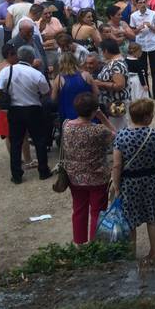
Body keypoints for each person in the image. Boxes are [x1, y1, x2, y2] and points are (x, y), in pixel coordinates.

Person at [111, 98, 155, 260]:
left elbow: (117, 164)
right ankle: (154, 251)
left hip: (129, 182)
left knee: (129, 219)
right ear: (147, 117)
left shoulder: (122, 136)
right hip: (150, 179)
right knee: (152, 214)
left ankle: (131, 254)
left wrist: (116, 185)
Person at [62, 92, 115, 244]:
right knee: (97, 211)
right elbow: (114, 134)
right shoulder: (98, 130)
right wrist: (103, 117)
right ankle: (95, 243)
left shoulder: (67, 126)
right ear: (93, 111)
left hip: (74, 176)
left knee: (79, 209)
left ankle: (79, 242)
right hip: (97, 176)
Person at [0, 45, 52, 184]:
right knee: (39, 141)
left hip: (15, 110)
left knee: (16, 143)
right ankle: (43, 171)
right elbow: (46, 92)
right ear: (32, 58)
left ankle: (16, 175)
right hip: (33, 109)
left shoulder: (6, 71)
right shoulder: (36, 74)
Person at [129, 0, 155, 101]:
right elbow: (133, 32)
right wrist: (139, 28)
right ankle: (146, 93)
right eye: (140, 2)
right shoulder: (133, 16)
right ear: (136, 4)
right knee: (143, 70)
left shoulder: (153, 14)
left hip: (153, 44)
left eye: (143, 2)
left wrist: (151, 27)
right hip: (140, 46)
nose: (142, 4)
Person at [95, 38, 130, 130]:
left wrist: (100, 84)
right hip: (113, 103)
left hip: (116, 103)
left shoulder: (116, 64)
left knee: (117, 129)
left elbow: (119, 85)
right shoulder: (115, 62)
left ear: (106, 50)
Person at [51, 52, 96, 120]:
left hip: (68, 117)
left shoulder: (59, 79)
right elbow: (97, 93)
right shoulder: (86, 75)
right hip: (88, 115)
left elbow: (53, 98)